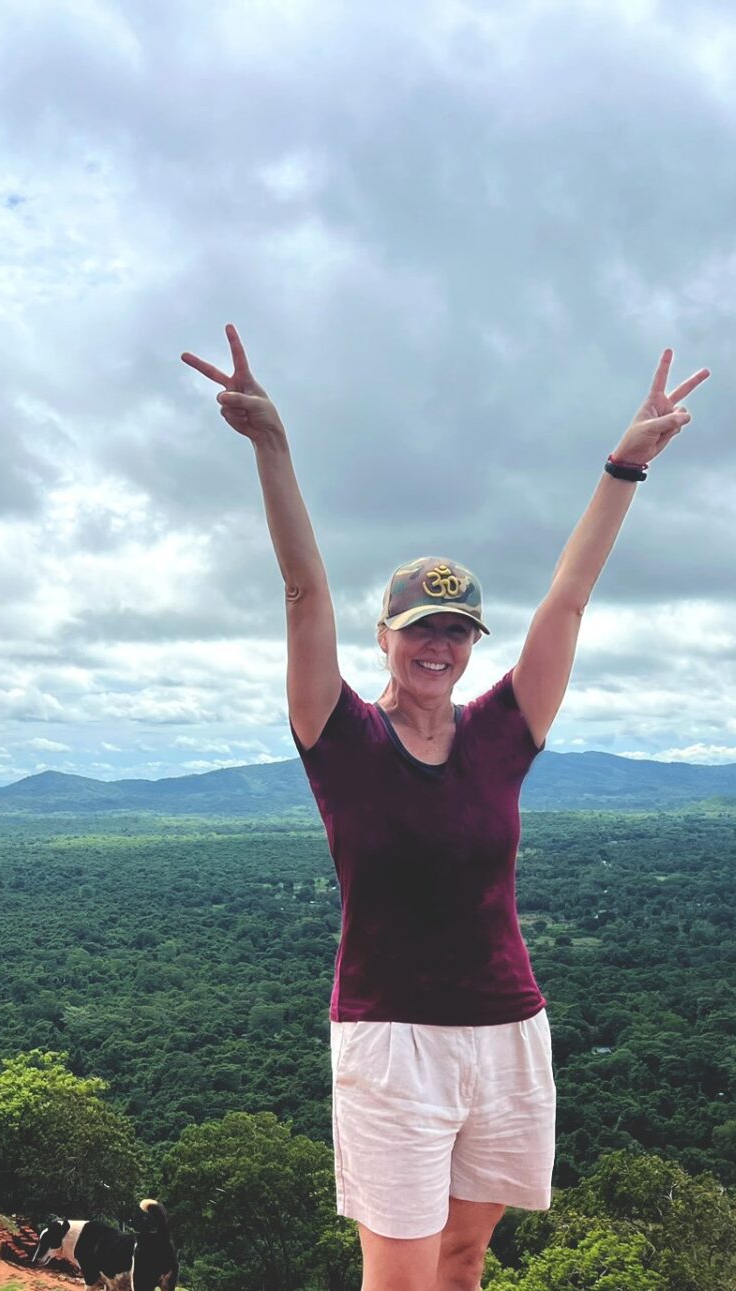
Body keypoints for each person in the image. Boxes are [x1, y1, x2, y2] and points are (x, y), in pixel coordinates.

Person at [182, 324, 707, 1291]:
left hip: (508, 1028)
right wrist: (273, 446)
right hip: (391, 1041)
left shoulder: (503, 731)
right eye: (423, 627)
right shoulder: (341, 739)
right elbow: (302, 591)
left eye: (460, 630)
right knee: (400, 1274)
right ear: (385, 636)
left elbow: (568, 603)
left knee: (464, 1262)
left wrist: (623, 468)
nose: (443, 645)